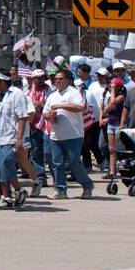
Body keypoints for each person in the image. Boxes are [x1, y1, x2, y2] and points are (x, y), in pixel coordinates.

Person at [44, 68, 94, 200]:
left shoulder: (74, 93)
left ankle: (87, 185)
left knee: (74, 162)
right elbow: (45, 113)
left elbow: (80, 107)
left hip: (73, 135)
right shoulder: (52, 96)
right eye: (56, 79)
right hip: (56, 135)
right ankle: (61, 190)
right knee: (57, 163)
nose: (58, 81)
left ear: (68, 80)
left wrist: (61, 106)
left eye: (61, 79)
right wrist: (49, 116)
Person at [0, 71, 31, 208]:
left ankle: (16, 191)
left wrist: (19, 138)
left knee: (5, 163)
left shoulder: (17, 94)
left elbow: (22, 117)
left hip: (10, 136)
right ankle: (7, 196)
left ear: (2, 81)